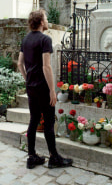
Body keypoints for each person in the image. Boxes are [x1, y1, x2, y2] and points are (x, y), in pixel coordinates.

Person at [17, 9, 73, 169]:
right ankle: (54, 157)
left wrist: (27, 79)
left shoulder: (25, 39)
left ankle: (32, 156)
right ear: (41, 22)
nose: (47, 21)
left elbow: (19, 63)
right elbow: (46, 66)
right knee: (48, 122)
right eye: (46, 19)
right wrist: (52, 90)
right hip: (43, 88)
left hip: (31, 88)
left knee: (34, 120)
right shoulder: (45, 39)